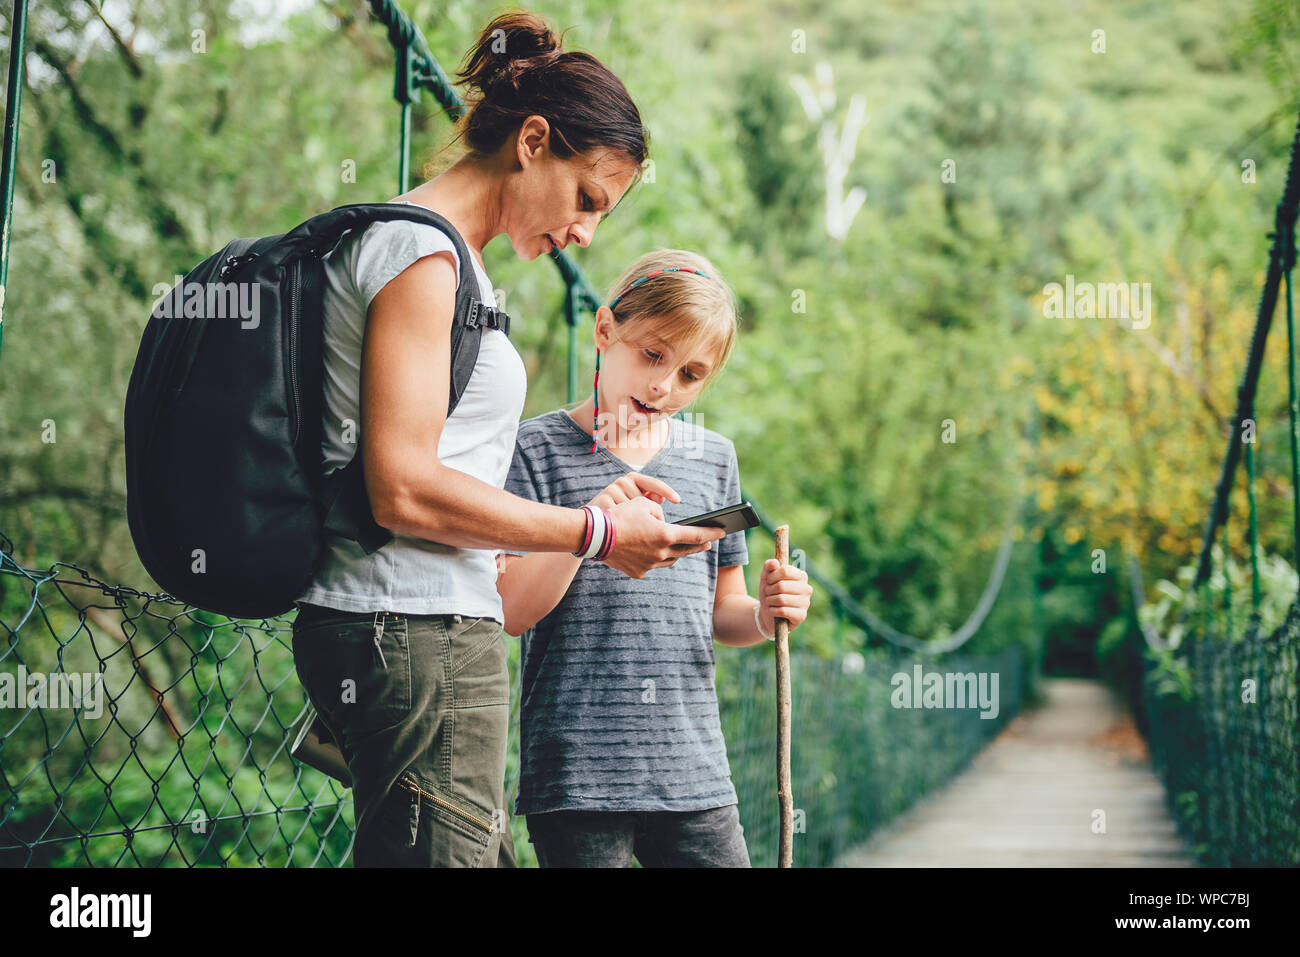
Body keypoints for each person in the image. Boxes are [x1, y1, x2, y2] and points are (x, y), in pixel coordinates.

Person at [289, 11, 725, 868]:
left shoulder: (447, 256)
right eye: (587, 198)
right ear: (533, 141)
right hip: (412, 624)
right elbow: (403, 489)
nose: (585, 233)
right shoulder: (424, 258)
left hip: (430, 629)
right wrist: (596, 532)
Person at [496, 249, 814, 866]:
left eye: (691, 375)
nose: (665, 385)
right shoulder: (533, 450)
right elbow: (511, 611)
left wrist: (767, 613)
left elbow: (725, 611)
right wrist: (593, 529)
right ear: (605, 330)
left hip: (694, 769)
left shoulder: (713, 458)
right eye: (653, 354)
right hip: (577, 773)